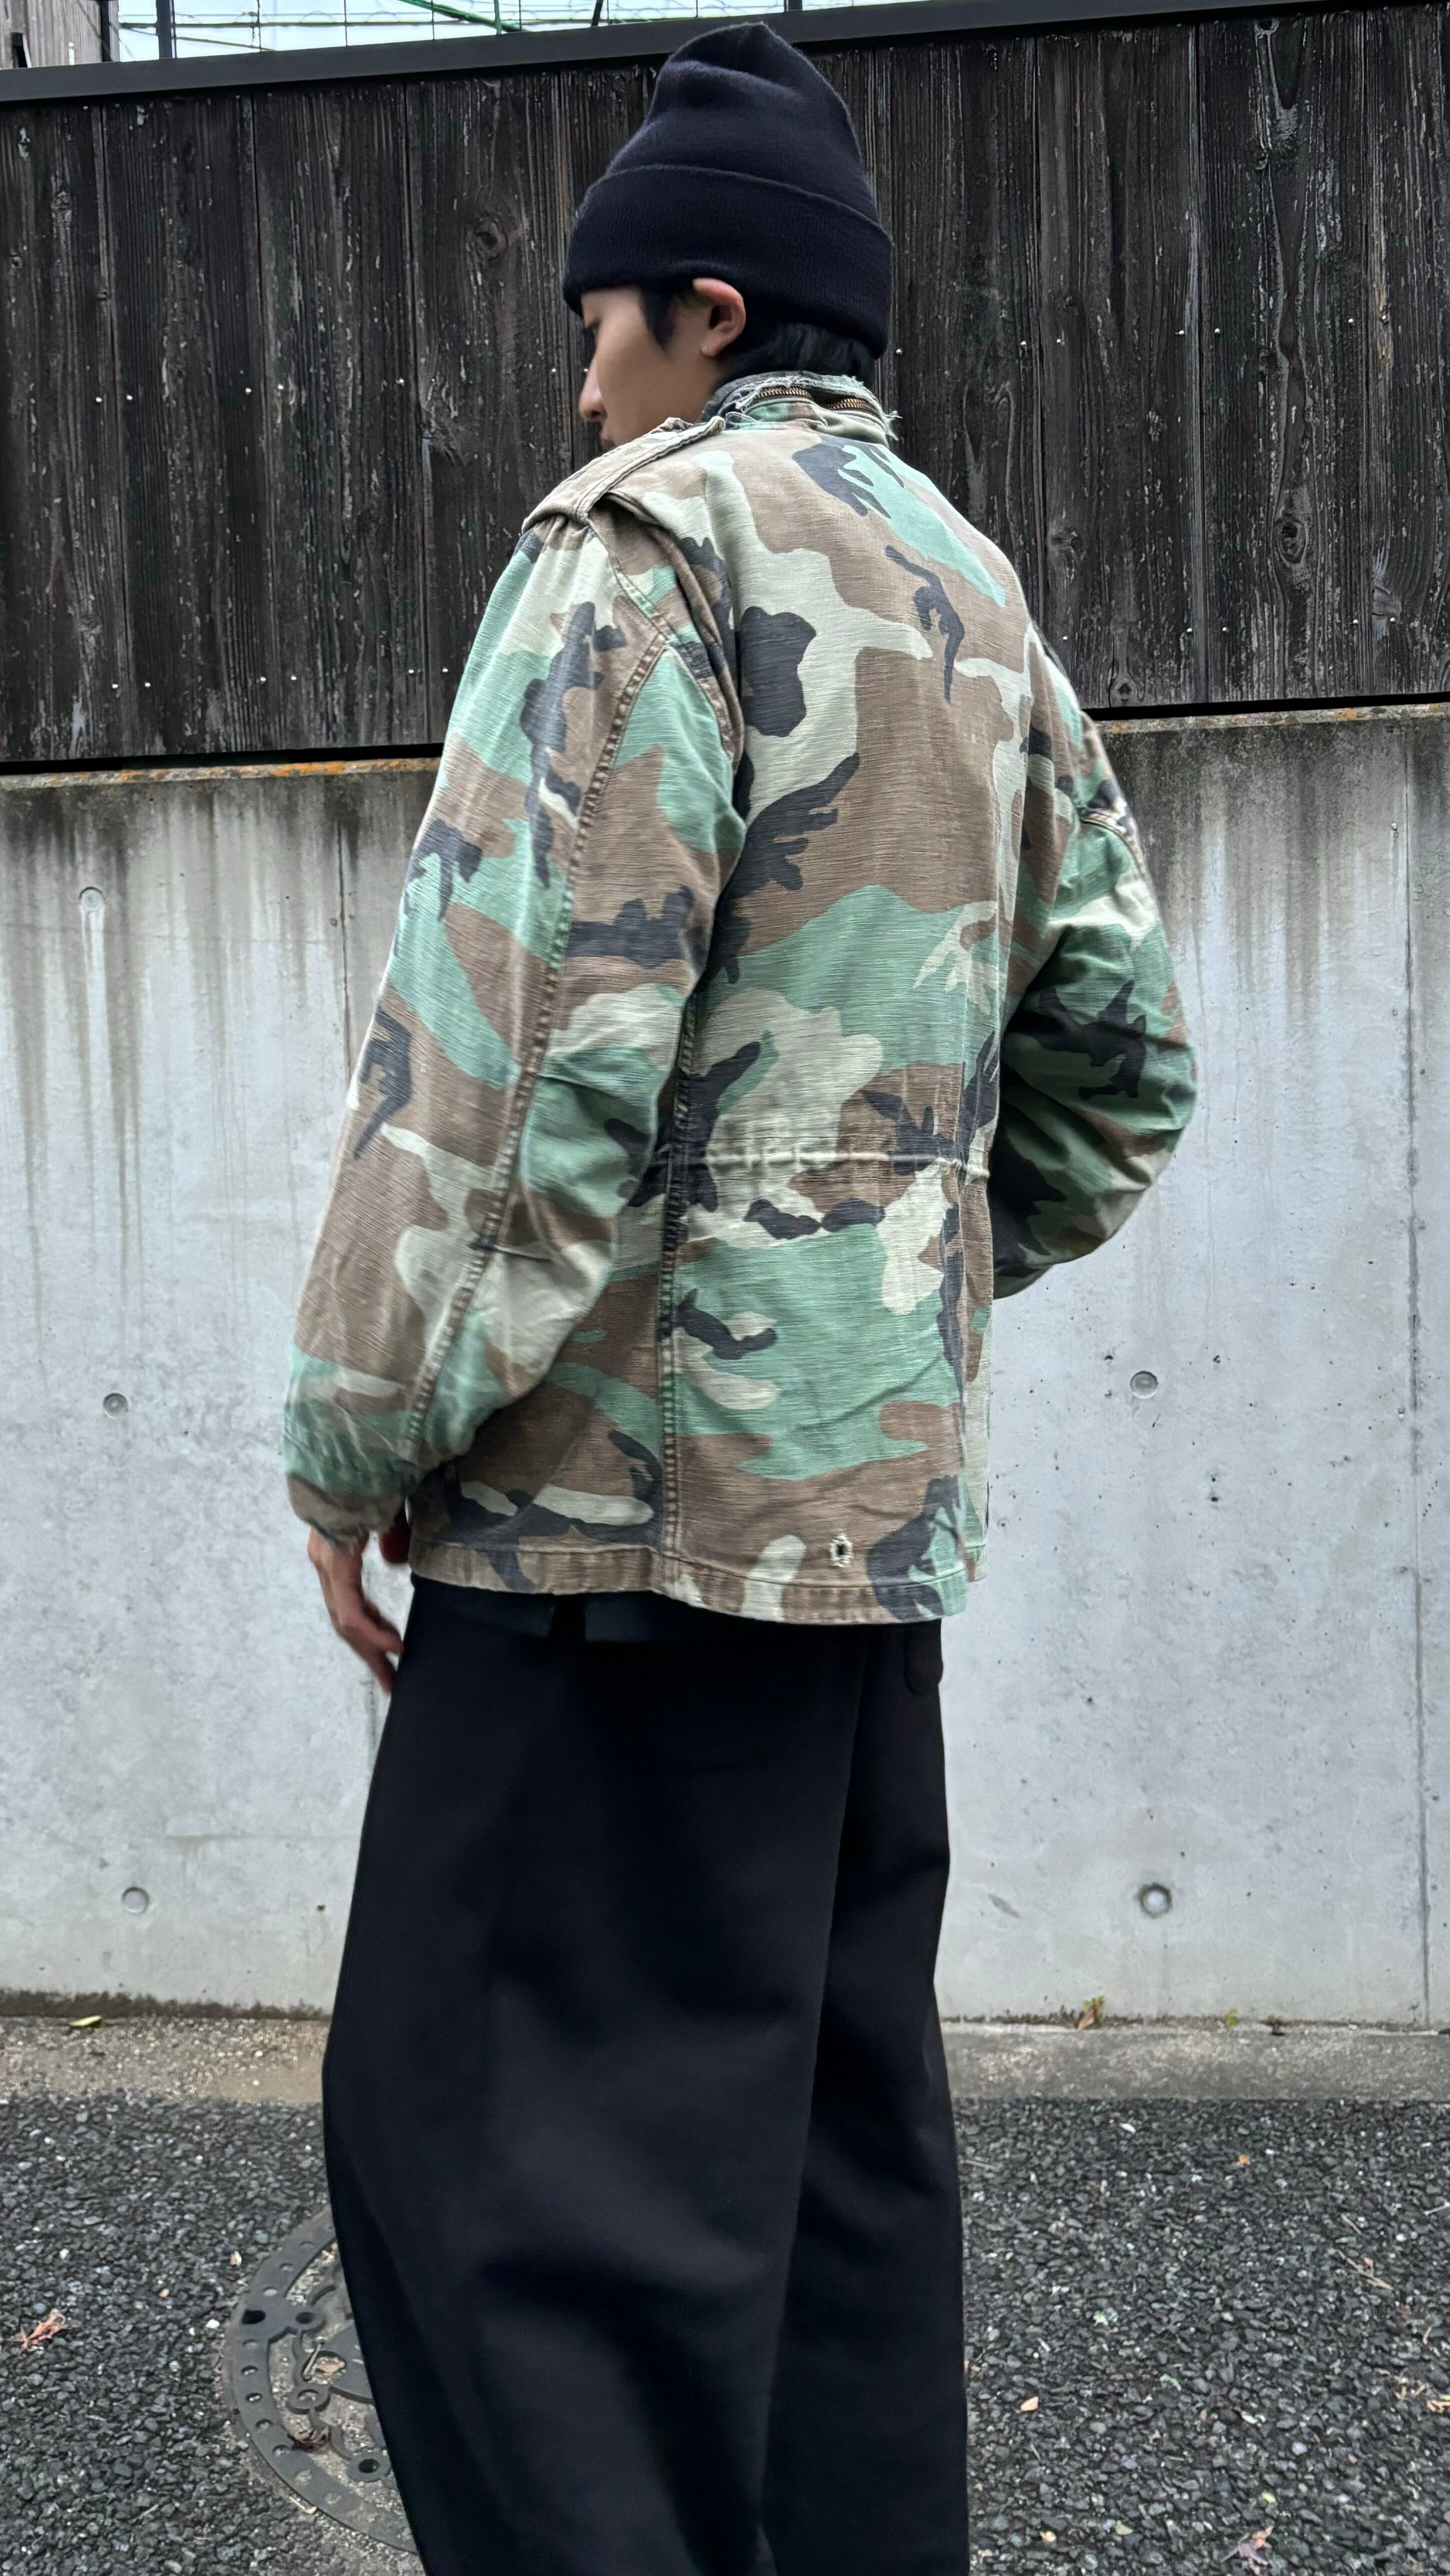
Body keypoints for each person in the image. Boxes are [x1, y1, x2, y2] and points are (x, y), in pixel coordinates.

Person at [283, 24, 1196, 2576]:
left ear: (704, 308)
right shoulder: (971, 592)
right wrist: (874, 1301)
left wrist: (352, 1440)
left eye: (599, 325)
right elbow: (1121, 1063)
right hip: (854, 1559)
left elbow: (507, 1089)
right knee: (817, 2195)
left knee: (496, 2196)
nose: (579, 382)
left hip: (605, 1554)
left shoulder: (644, 550)